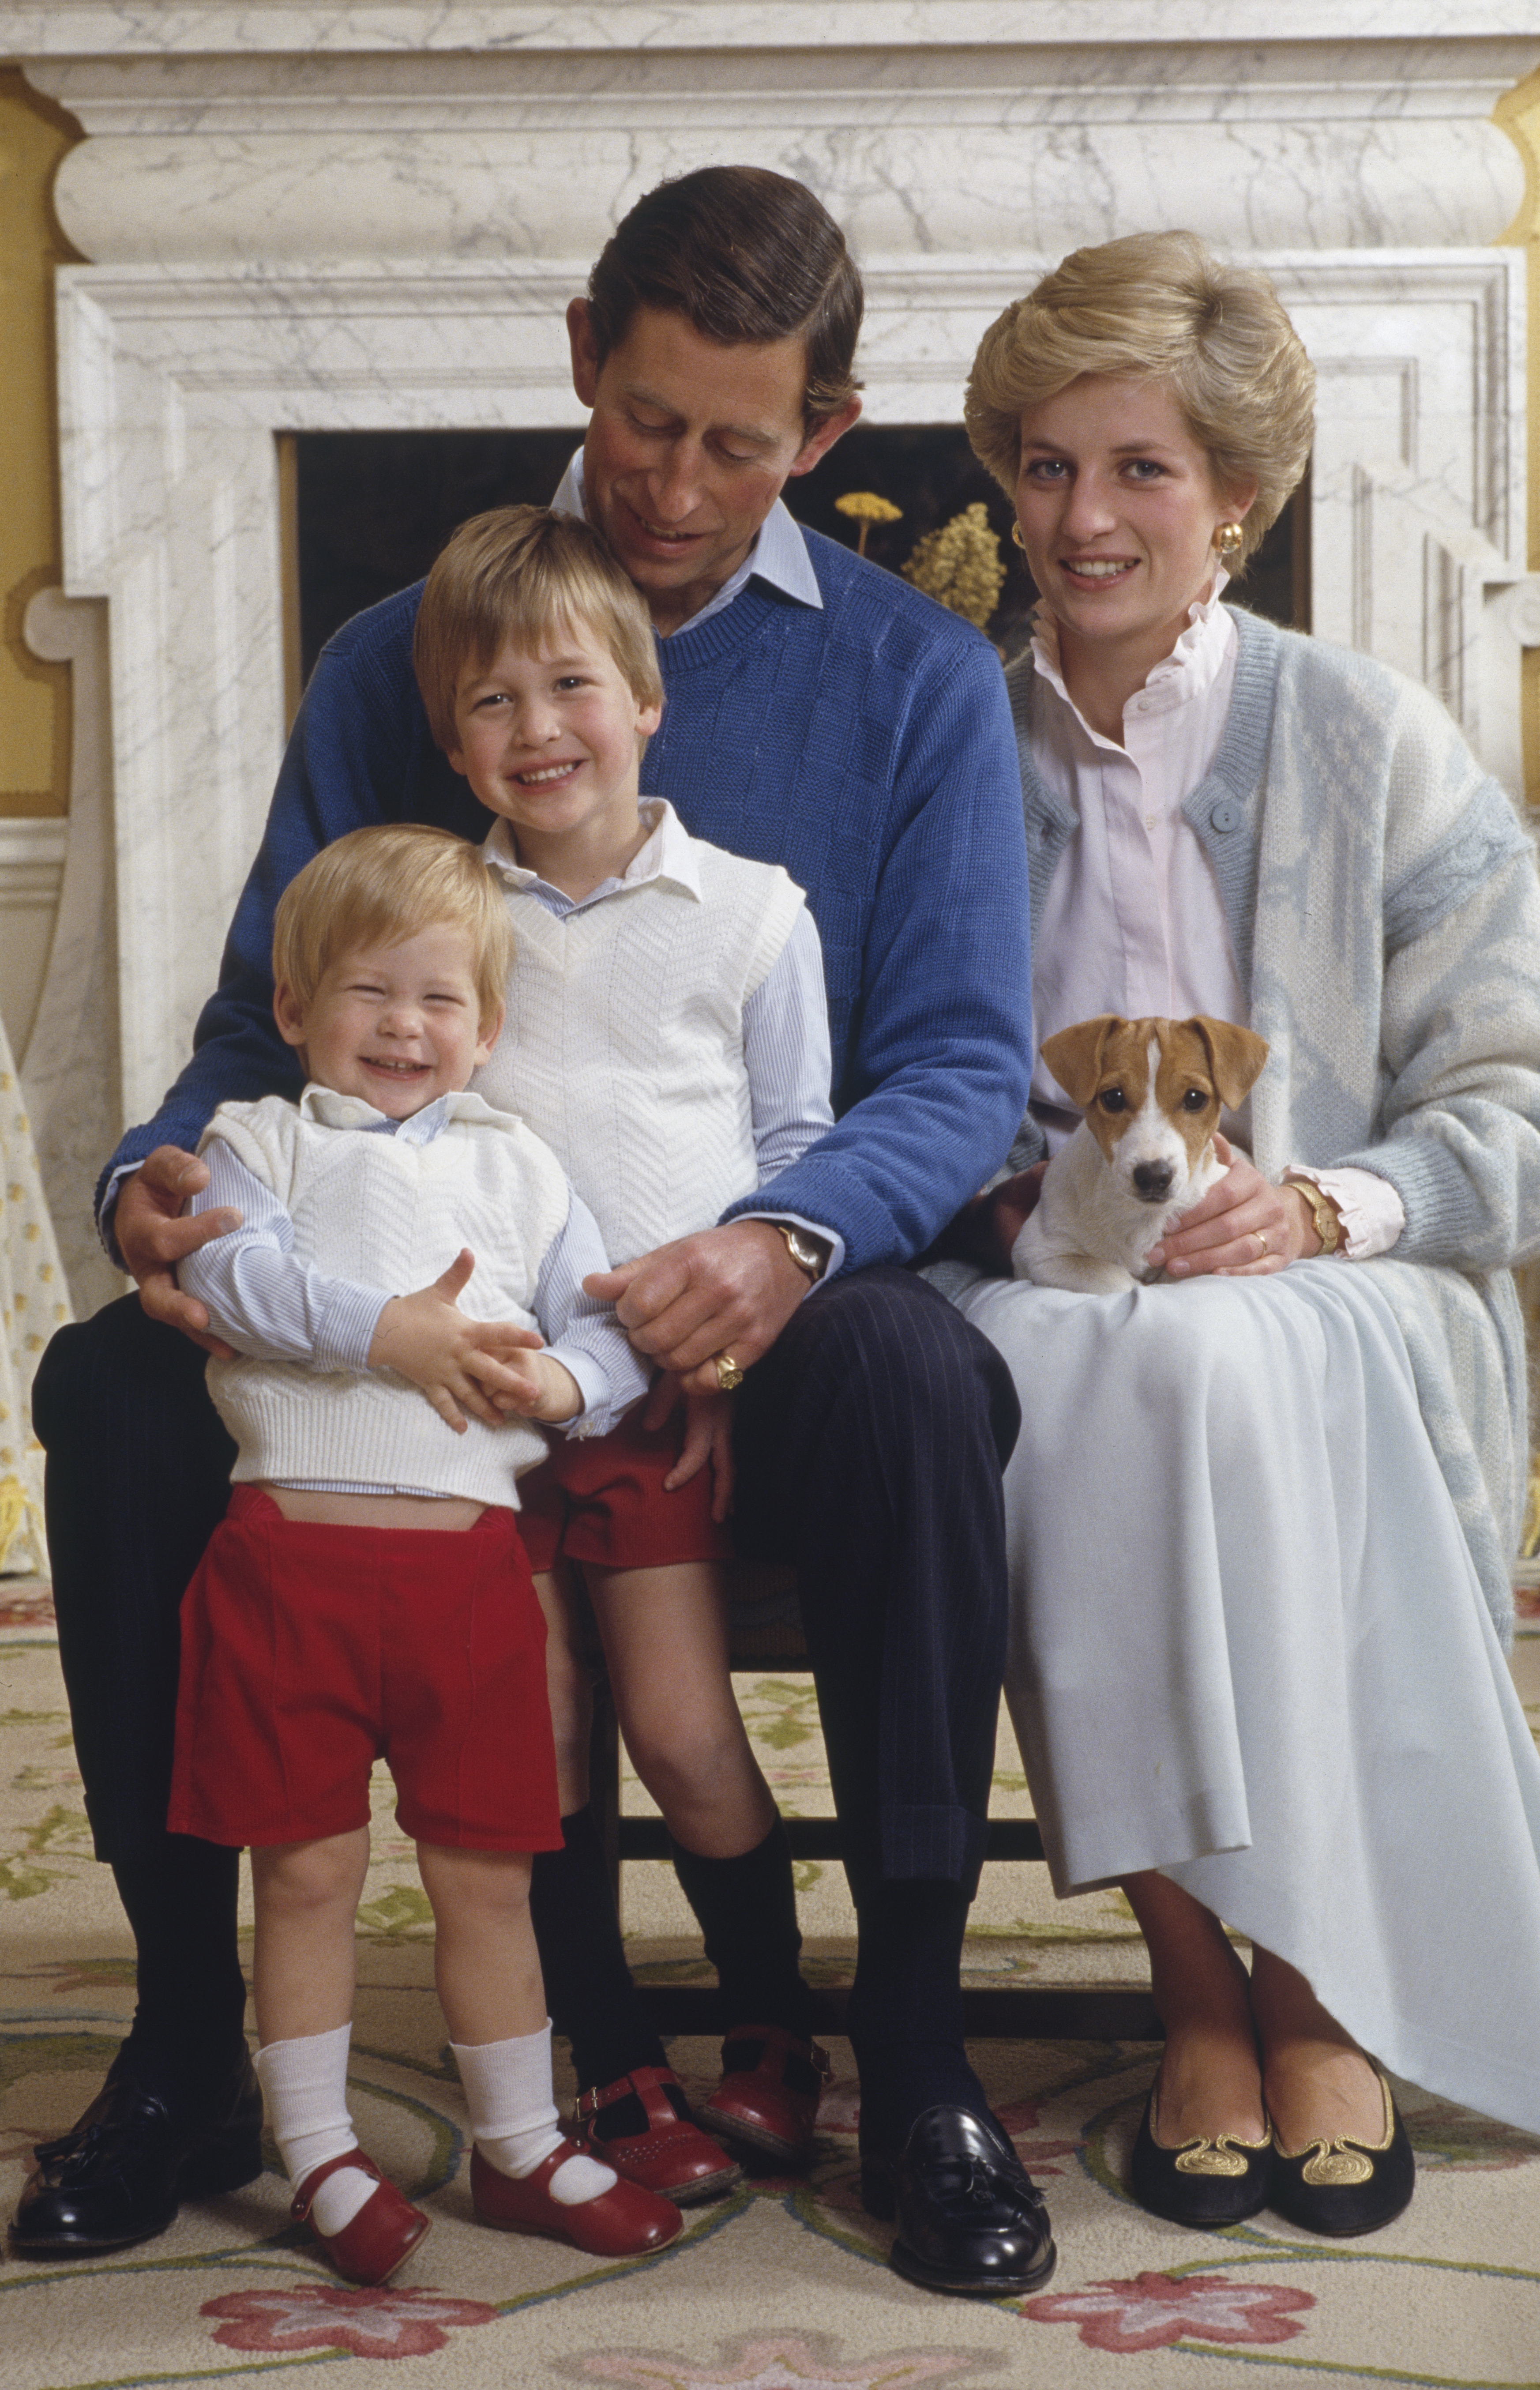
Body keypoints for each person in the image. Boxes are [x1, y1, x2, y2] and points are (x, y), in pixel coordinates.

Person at [20, 167, 1048, 2298]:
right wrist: (159, 1172)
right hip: (441, 1286)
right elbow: (261, 1010)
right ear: (583, 354)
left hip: (778, 1276)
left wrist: (782, 1239)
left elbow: (952, 1069)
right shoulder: (410, 653)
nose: (673, 482)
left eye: (735, 443)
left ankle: (913, 2042)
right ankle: (195, 2040)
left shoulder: (914, 682)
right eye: (644, 417)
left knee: (922, 1373)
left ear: (824, 435)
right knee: (110, 1383)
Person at [929, 229, 1540, 2236]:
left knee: (1207, 1350)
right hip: (1054, 1284)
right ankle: (1197, 1975)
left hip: (1347, 1292)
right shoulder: (949, 736)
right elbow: (890, 1076)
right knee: (1086, 1356)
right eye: (1046, 466)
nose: (1083, 516)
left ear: (1238, 494)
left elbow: (1537, 1122)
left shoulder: (1367, 735)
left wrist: (1320, 1198)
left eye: (1139, 468)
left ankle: (1310, 1982)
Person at [165, 823, 682, 2281]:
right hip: (292, 1572)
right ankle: (319, 2150)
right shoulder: (253, 1144)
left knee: (487, 1876)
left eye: (439, 1000)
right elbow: (231, 1273)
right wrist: (389, 1331)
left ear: (490, 1027)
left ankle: (519, 2146)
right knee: (310, 1875)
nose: (403, 1026)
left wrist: (564, 1389)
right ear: (294, 1014)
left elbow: (606, 1330)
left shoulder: (522, 1167)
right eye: (367, 995)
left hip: (467, 1584)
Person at [413, 501, 834, 2202]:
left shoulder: (747, 914)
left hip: (662, 1398)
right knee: (549, 1730)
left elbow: (805, 1152)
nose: (538, 732)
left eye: (571, 686)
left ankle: (774, 2027)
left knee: (679, 1726)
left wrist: (733, 1365)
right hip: (486, 1409)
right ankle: (615, 2059)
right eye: (493, 706)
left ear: (648, 698)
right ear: (453, 739)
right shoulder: (448, 920)